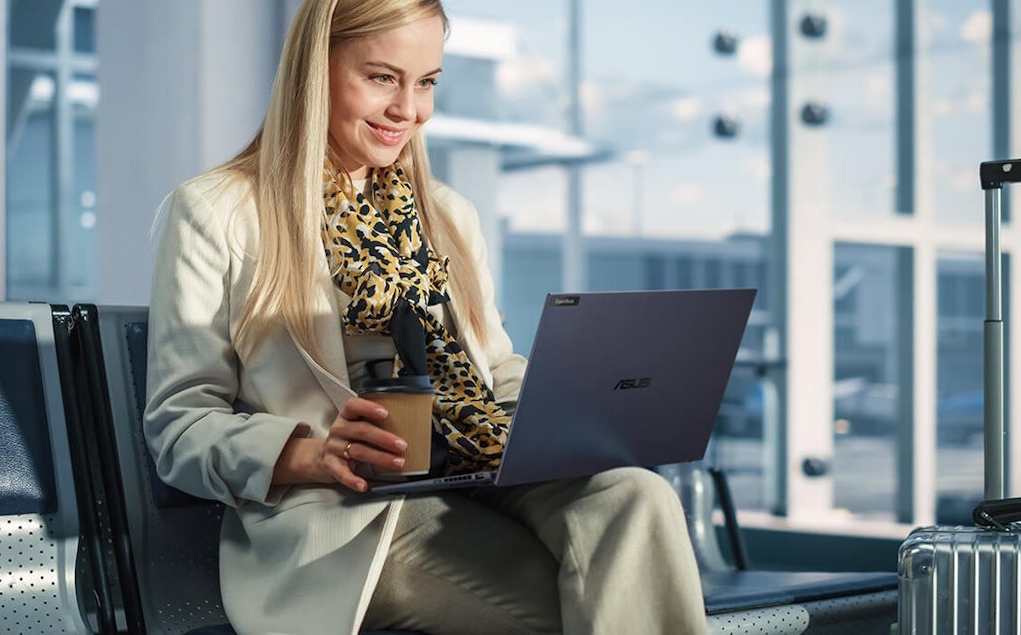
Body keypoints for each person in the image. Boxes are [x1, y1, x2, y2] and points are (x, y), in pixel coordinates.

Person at [143, 0, 710, 633]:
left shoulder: (447, 214)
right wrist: (312, 453)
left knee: (636, 496)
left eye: (427, 82)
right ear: (315, 69)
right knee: (603, 606)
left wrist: (565, 414)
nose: (407, 110)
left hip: (473, 468)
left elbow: (494, 369)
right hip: (347, 517)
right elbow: (179, 427)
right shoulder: (217, 212)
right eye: (382, 77)